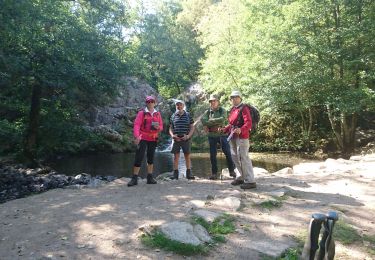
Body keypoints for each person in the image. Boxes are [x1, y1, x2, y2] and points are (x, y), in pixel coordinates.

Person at [222, 90, 256, 189]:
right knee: (235, 157)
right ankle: (241, 177)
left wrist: (241, 129)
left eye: (236, 97)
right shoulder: (233, 109)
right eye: (232, 98)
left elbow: (248, 123)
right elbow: (232, 124)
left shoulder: (244, 108)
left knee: (244, 157)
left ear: (240, 98)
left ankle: (250, 181)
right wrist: (225, 129)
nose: (234, 99)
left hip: (242, 137)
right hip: (233, 136)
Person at [127, 96, 163, 187]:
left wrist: (158, 127)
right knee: (139, 156)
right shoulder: (141, 113)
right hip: (142, 137)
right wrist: (137, 136)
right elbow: (136, 125)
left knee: (150, 157)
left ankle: (150, 177)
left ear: (155, 103)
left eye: (152, 101)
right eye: (148, 101)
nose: (150, 103)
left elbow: (161, 127)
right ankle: (134, 178)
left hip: (153, 138)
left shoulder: (157, 114)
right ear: (146, 103)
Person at [201, 94, 236, 180]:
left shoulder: (222, 110)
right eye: (211, 101)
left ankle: (232, 171)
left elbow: (223, 119)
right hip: (211, 135)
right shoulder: (207, 112)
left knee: (227, 153)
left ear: (218, 102)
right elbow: (203, 121)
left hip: (222, 135)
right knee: (212, 155)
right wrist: (212, 123)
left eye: (214, 101)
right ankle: (214, 173)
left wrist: (211, 121)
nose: (213, 102)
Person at [169, 100, 195, 180]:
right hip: (176, 139)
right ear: (176, 106)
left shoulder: (188, 115)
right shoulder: (173, 116)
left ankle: (189, 174)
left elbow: (192, 127)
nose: (179, 106)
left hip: (185, 139)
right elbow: (170, 128)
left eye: (180, 105)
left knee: (187, 155)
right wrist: (173, 135)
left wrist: (188, 136)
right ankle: (175, 174)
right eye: (177, 105)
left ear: (183, 106)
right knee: (176, 157)